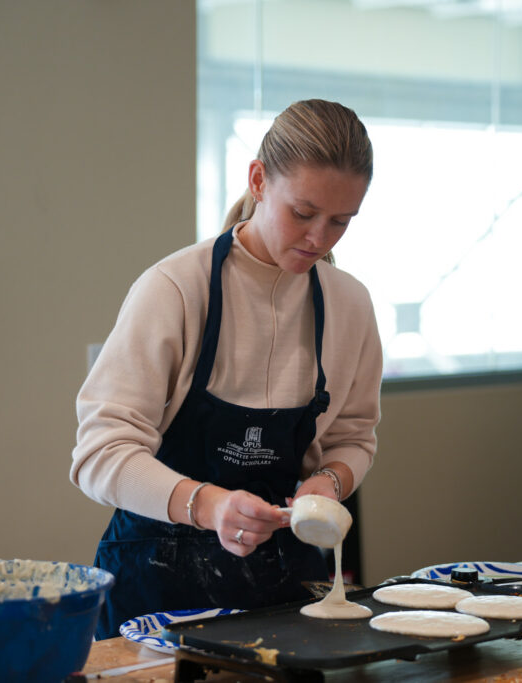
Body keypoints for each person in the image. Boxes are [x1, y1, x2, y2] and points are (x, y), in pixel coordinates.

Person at [70, 99, 383, 639]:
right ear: (259, 180)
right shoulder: (174, 289)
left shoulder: (350, 306)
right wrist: (208, 505)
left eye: (340, 221)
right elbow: (100, 454)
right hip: (155, 593)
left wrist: (329, 483)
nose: (319, 239)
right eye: (303, 213)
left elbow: (355, 437)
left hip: (287, 594)